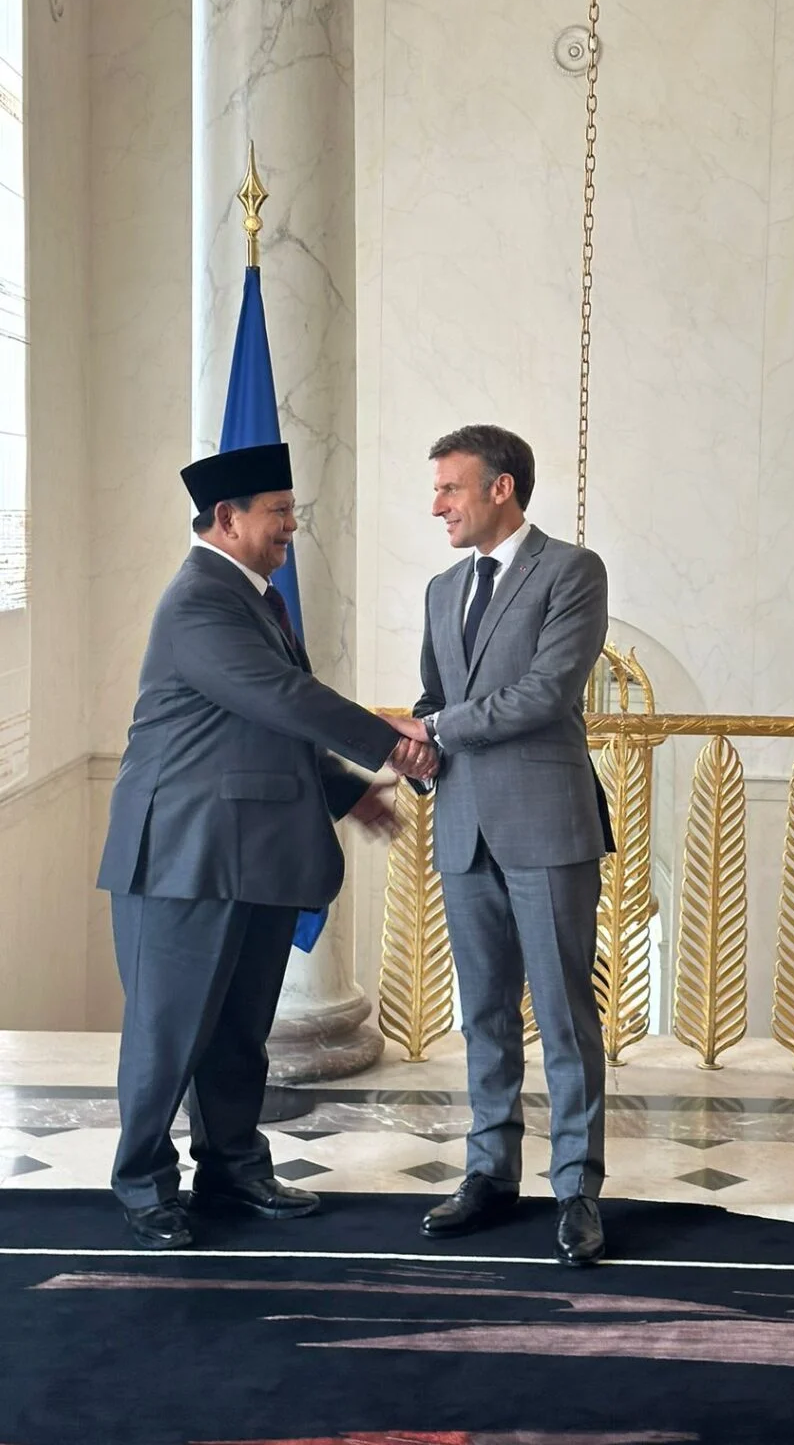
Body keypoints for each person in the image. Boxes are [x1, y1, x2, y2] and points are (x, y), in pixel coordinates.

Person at [96, 442, 436, 1251]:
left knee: (239, 1031)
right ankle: (144, 1185)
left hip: (245, 851)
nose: (291, 526)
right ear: (228, 519)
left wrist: (348, 791)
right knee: (168, 1032)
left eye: (292, 510)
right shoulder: (199, 601)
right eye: (279, 512)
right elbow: (280, 696)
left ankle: (232, 1165)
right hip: (183, 856)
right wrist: (386, 742)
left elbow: (262, 729)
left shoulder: (254, 599)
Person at [389, 423, 613, 1267]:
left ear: (501, 489)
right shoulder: (442, 590)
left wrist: (434, 726)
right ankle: (489, 1173)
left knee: (562, 1013)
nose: (436, 503)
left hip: (548, 824)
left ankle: (578, 1188)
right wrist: (416, 752)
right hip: (464, 825)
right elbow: (434, 696)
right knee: (482, 1015)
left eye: (450, 487)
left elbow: (544, 694)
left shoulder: (572, 572)